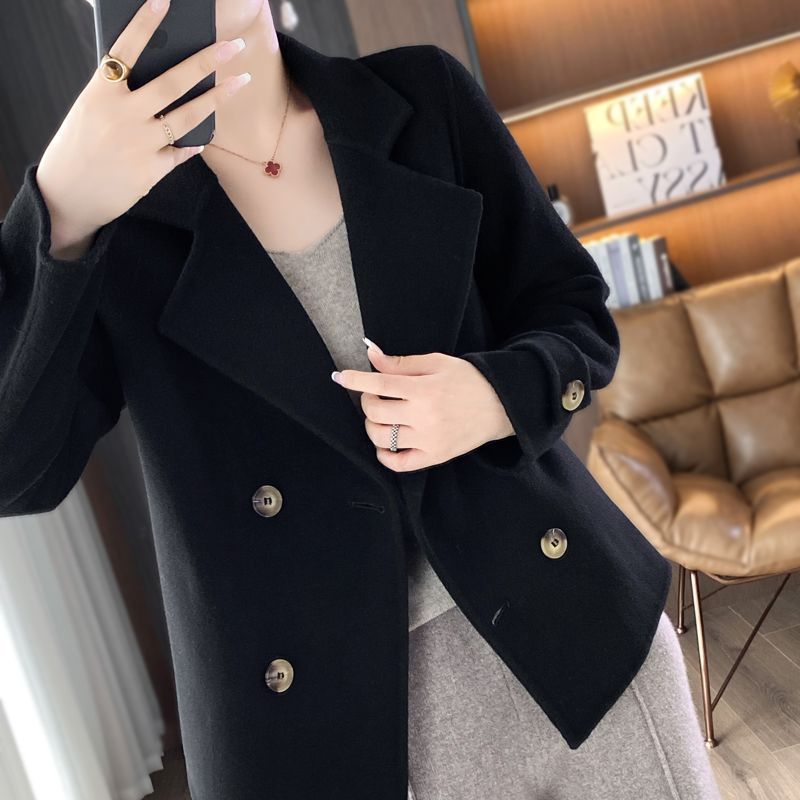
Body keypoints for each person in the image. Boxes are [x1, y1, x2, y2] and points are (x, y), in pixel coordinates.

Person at [0, 1, 723, 797]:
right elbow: (13, 472)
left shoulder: (422, 97)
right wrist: (59, 207)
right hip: (333, 728)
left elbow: (574, 311)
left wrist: (493, 396)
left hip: (572, 636)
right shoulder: (109, 229)